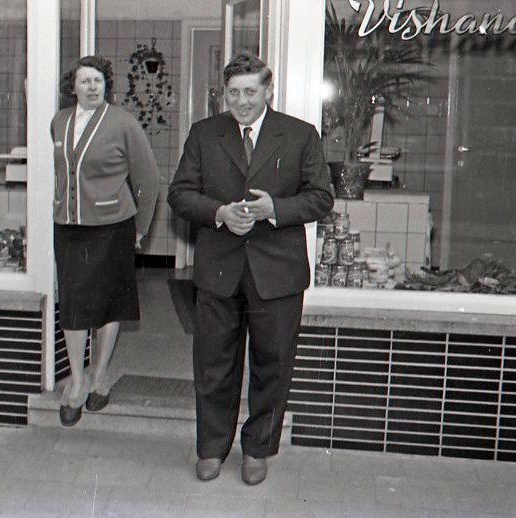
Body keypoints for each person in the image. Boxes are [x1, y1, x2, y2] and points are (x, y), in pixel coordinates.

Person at [168, 51, 333, 484]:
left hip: (277, 274)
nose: (241, 101)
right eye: (233, 93)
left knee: (272, 366)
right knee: (214, 365)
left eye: (250, 92)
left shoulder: (299, 134)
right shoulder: (204, 134)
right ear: (224, 93)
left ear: (268, 90)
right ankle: (211, 448)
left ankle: (258, 448)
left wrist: (274, 209)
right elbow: (180, 194)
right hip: (219, 270)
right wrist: (219, 212)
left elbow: (321, 197)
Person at [51, 56, 158, 426]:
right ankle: (77, 380)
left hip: (112, 226)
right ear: (73, 87)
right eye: (85, 81)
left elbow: (148, 179)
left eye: (98, 81)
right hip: (69, 226)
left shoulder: (123, 122)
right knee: (74, 304)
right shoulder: (60, 121)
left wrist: (140, 228)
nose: (92, 87)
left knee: (108, 303)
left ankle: (100, 374)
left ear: (106, 85)